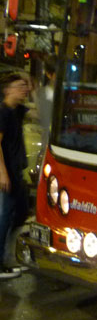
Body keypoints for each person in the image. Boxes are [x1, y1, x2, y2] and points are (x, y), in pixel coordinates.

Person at [0, 72, 30, 279]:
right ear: (7, 89)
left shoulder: (16, 110)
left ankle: (8, 257)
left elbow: (35, 91)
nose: (24, 89)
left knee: (19, 213)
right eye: (19, 86)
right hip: (7, 171)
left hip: (16, 170)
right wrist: (2, 173)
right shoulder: (3, 112)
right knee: (5, 216)